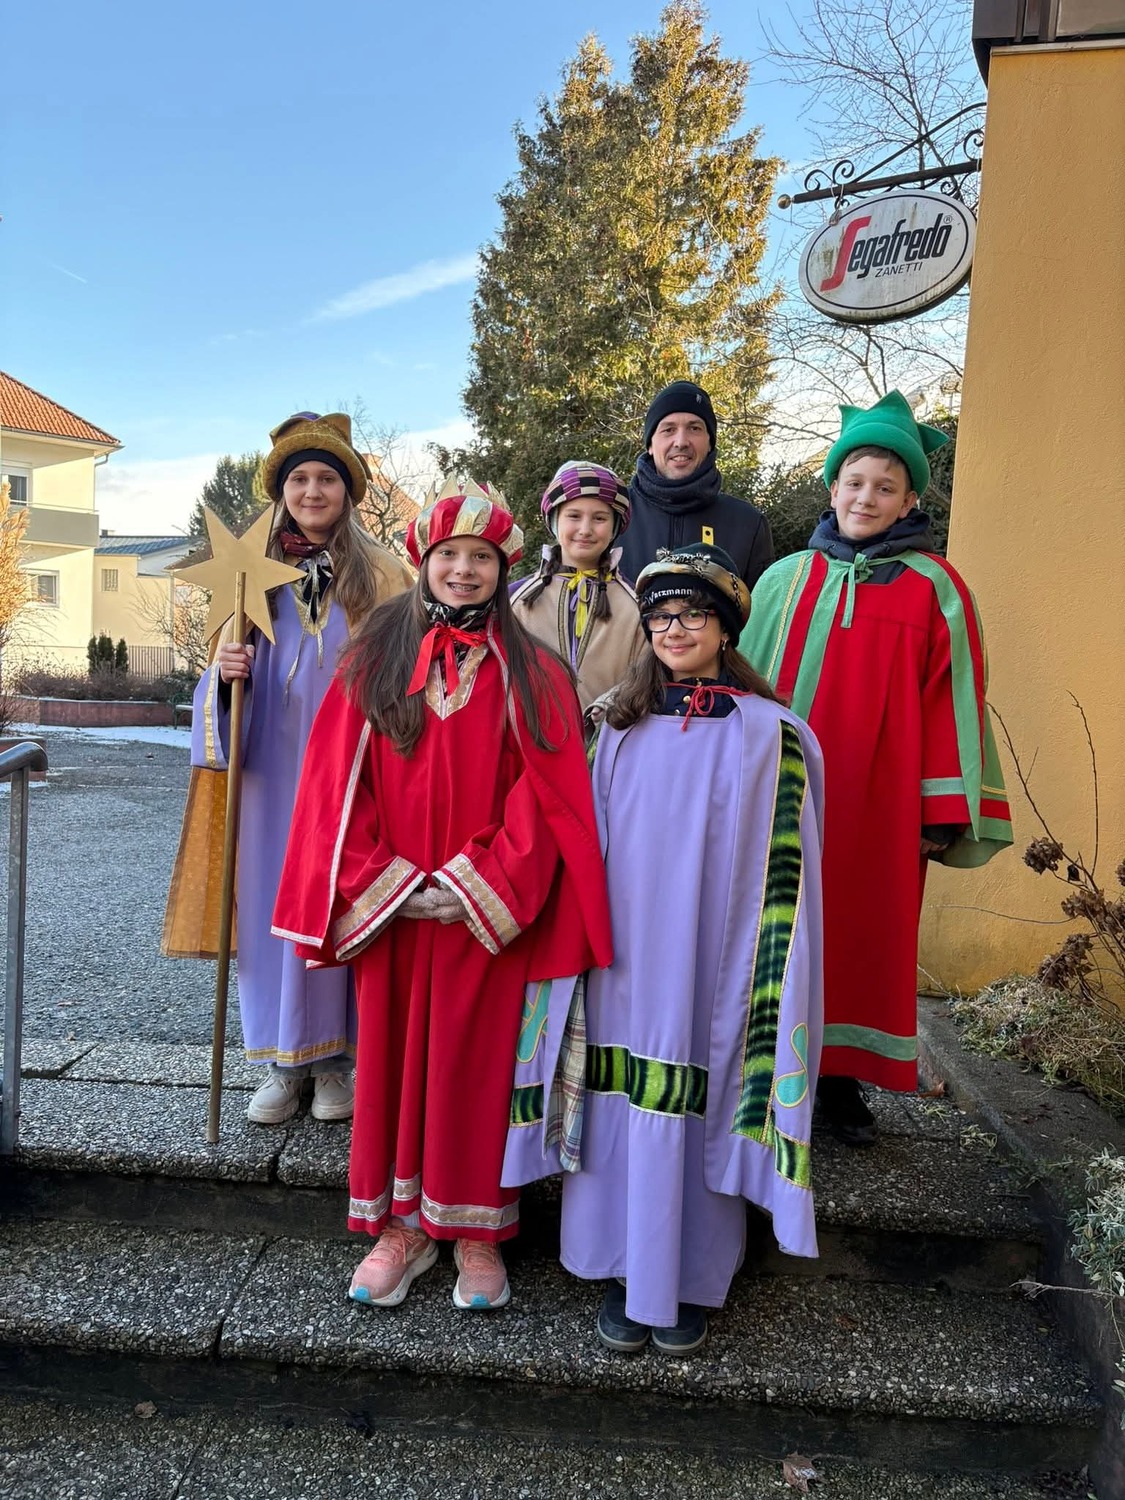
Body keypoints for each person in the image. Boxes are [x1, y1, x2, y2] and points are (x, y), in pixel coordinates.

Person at [271, 478, 613, 1313]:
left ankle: (476, 1230)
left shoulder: (537, 671)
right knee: (390, 1066)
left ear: (503, 567)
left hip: (482, 911)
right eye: (449, 555)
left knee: (478, 1069)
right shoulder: (372, 659)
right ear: (424, 561)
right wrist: (386, 883)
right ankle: (400, 1227)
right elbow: (333, 790)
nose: (464, 570)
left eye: (481, 558)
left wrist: (473, 885)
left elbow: (549, 797)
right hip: (393, 907)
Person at [505, 543, 824, 1355]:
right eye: (660, 617)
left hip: (717, 963)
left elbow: (787, 877)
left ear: (724, 630)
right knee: (618, 1097)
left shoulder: (771, 736)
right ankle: (621, 1265)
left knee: (699, 1097)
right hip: (620, 957)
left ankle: (683, 1274)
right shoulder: (612, 725)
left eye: (692, 615)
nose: (674, 629)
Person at [741, 392, 1012, 1147]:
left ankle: (835, 1079)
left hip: (878, 805)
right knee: (766, 927)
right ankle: (756, 1073)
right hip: (779, 797)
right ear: (832, 487)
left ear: (910, 500)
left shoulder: (937, 589)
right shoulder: (782, 579)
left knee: (859, 934)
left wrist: (939, 813)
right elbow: (740, 685)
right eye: (854, 482)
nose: (866, 497)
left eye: (885, 487)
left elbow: (954, 700)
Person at [162, 412, 413, 1126]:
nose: (312, 491)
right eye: (298, 478)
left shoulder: (385, 574)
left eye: (326, 478)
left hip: (349, 771)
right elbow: (217, 680)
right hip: (270, 770)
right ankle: (279, 1062)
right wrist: (223, 675)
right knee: (270, 906)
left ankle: (335, 1062)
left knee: (339, 903)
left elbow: (409, 671)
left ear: (347, 491)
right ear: (281, 490)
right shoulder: (244, 574)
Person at [510, 460, 645, 710]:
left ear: (615, 526)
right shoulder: (515, 600)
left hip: (609, 733)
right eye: (574, 516)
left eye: (599, 518)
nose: (585, 529)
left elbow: (644, 681)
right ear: (554, 520)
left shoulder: (635, 606)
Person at [618, 380, 774, 591]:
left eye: (694, 428)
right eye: (668, 429)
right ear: (650, 445)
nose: (681, 441)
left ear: (710, 443)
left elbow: (762, 609)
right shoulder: (613, 514)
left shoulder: (749, 524)